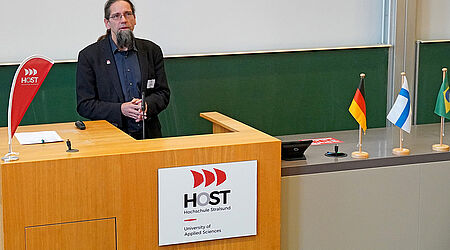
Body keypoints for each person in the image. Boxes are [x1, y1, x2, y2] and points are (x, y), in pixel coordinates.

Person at [76, 0, 170, 139]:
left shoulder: (151, 51)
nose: (123, 20)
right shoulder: (89, 56)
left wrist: (147, 105)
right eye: (116, 16)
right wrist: (121, 109)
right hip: (109, 139)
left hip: (149, 136)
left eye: (128, 14)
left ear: (135, 19)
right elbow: (85, 105)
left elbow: (163, 93)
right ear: (107, 23)